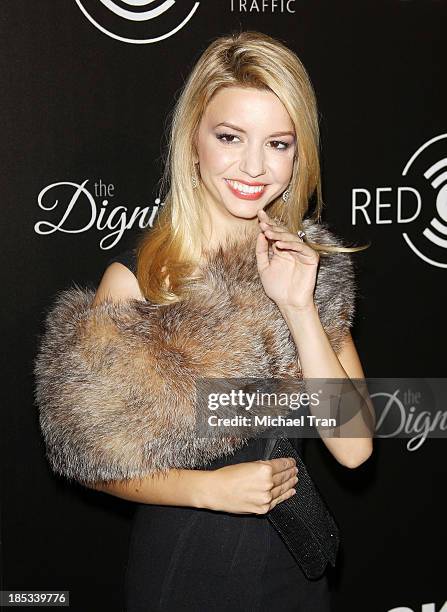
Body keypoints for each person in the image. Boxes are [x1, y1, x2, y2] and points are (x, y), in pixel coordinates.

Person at [35, 30, 374, 611]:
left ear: (299, 155)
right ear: (194, 141)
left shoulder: (313, 270)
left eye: (278, 144)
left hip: (294, 572)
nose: (253, 166)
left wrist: (297, 306)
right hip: (188, 570)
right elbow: (84, 457)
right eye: (230, 137)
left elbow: (354, 448)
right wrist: (208, 489)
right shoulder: (140, 284)